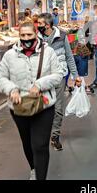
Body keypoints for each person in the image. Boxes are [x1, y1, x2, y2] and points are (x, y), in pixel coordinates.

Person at [0, 22, 65, 180]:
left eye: (29, 35)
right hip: (19, 107)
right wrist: (11, 89)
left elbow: (58, 74)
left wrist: (39, 84)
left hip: (44, 106)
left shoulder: (48, 53)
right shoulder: (10, 55)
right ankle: (34, 168)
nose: (26, 38)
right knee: (27, 143)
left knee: (39, 145)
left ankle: (40, 176)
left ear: (36, 34)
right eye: (23, 35)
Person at [37, 13, 80, 151]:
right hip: (42, 78)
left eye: (40, 23)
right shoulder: (36, 38)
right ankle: (43, 133)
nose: (38, 26)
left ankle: (54, 136)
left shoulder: (61, 36)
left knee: (58, 108)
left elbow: (69, 56)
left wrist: (75, 75)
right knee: (43, 107)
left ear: (48, 25)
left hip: (59, 76)